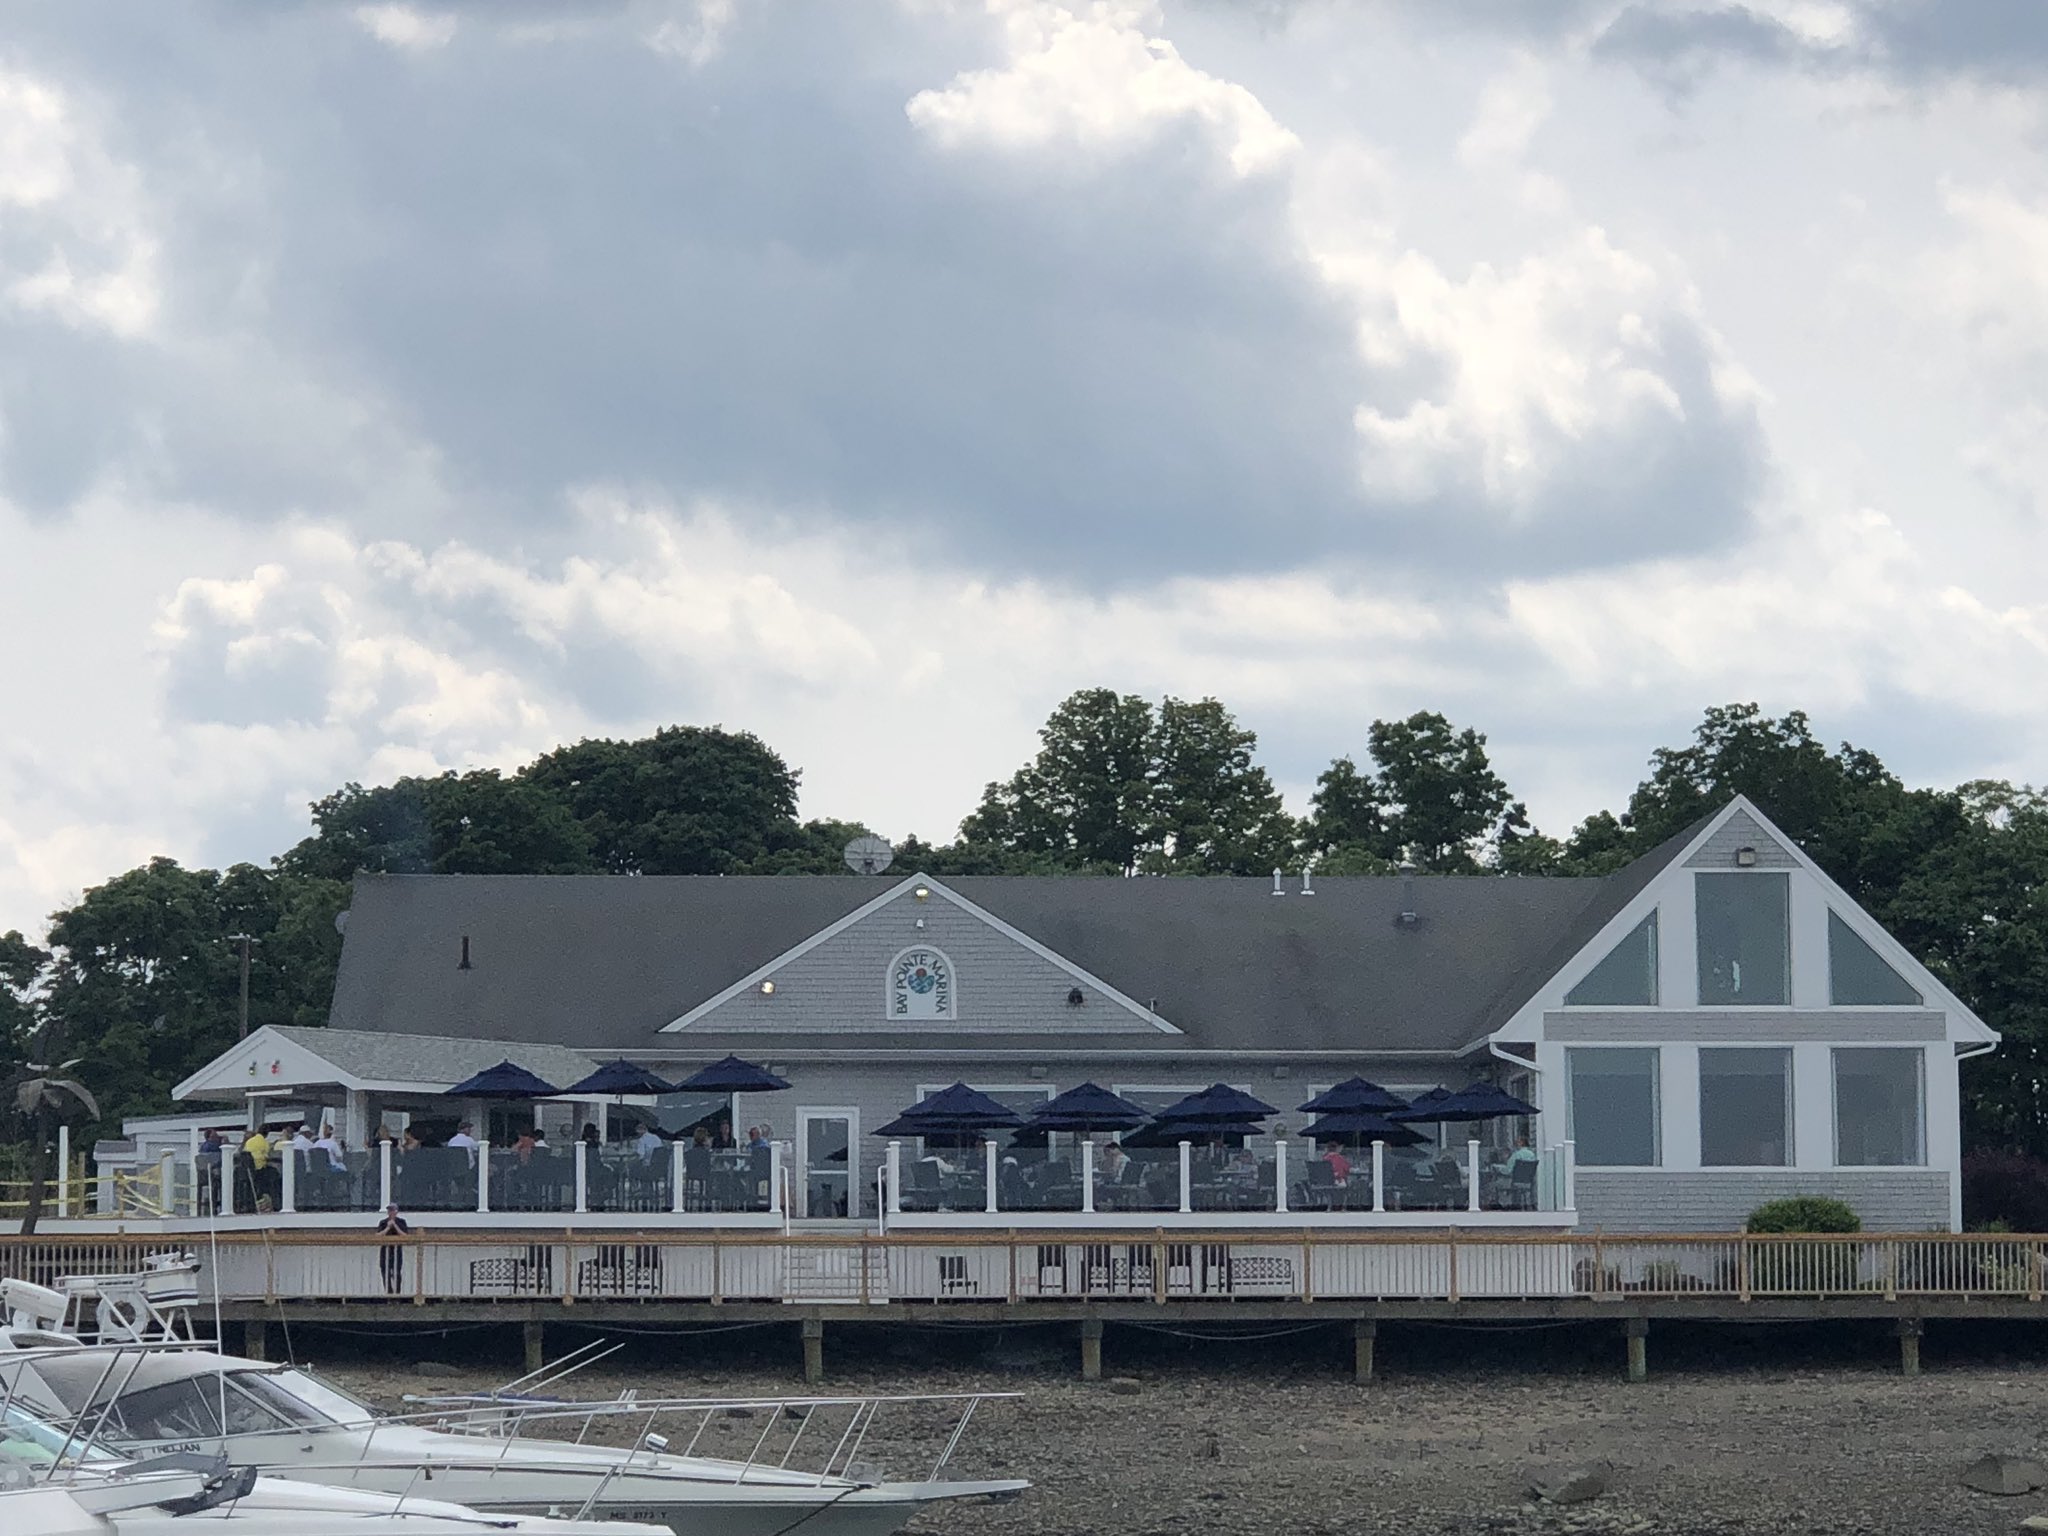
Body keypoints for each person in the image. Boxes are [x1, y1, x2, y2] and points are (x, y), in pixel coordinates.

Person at [374, 1205, 411, 1296]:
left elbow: (405, 1236)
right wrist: (387, 1228)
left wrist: (395, 1225)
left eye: (392, 1210)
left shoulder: (401, 1222)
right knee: (385, 1272)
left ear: (396, 1211)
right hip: (385, 1250)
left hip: (396, 1250)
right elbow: (378, 1236)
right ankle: (388, 1294)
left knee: (397, 1273)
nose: (390, 1212)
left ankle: (397, 1294)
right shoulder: (383, 1222)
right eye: (389, 1210)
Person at [197, 1129, 224, 1212]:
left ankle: (213, 1205)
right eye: (214, 1136)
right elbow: (218, 1160)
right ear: (209, 1138)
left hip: (203, 1175)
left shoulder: (202, 1147)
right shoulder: (212, 1146)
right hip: (212, 1174)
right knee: (221, 1181)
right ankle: (218, 1204)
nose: (216, 1137)